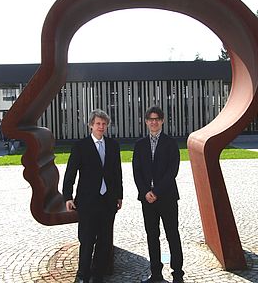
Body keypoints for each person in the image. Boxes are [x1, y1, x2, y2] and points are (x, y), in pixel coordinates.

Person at [63, 109, 123, 283]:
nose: (101, 127)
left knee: (104, 241)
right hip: (87, 202)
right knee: (87, 240)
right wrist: (68, 196)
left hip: (108, 201)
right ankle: (83, 275)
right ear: (91, 125)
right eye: (98, 123)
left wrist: (119, 196)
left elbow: (117, 173)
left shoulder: (113, 145)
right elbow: (70, 173)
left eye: (104, 124)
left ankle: (98, 276)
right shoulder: (80, 146)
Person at [132, 106, 184, 283]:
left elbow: (173, 171)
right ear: (146, 122)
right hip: (147, 200)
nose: (153, 122)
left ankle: (178, 274)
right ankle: (155, 273)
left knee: (172, 234)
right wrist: (146, 192)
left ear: (162, 121)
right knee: (152, 236)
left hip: (167, 197)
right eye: (150, 119)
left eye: (157, 119)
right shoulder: (140, 145)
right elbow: (136, 171)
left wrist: (156, 191)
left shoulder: (170, 143)